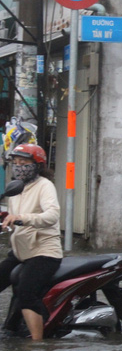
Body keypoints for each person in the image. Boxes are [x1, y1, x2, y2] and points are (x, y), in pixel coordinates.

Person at [0, 144, 62, 340]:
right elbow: (11, 218)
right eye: (16, 163)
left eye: (24, 163)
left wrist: (21, 218)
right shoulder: (16, 187)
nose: (19, 167)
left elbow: (52, 215)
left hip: (44, 252)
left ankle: (36, 347)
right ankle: (10, 330)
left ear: (38, 165)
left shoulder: (45, 186)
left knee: (27, 293)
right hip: (20, 252)